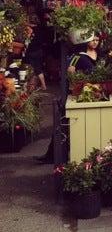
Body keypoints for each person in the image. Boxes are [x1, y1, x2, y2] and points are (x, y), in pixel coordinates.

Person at [34, 34, 100, 164]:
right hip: (80, 93)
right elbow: (70, 72)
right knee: (64, 125)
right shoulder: (78, 56)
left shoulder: (100, 55)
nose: (95, 42)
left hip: (96, 93)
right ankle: (52, 155)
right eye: (93, 39)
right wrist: (76, 79)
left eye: (97, 40)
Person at [24, 20, 47, 91]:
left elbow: (28, 44)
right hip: (37, 52)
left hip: (34, 53)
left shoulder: (32, 33)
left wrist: (28, 37)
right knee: (37, 69)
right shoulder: (37, 32)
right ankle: (38, 85)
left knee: (36, 69)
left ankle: (42, 85)